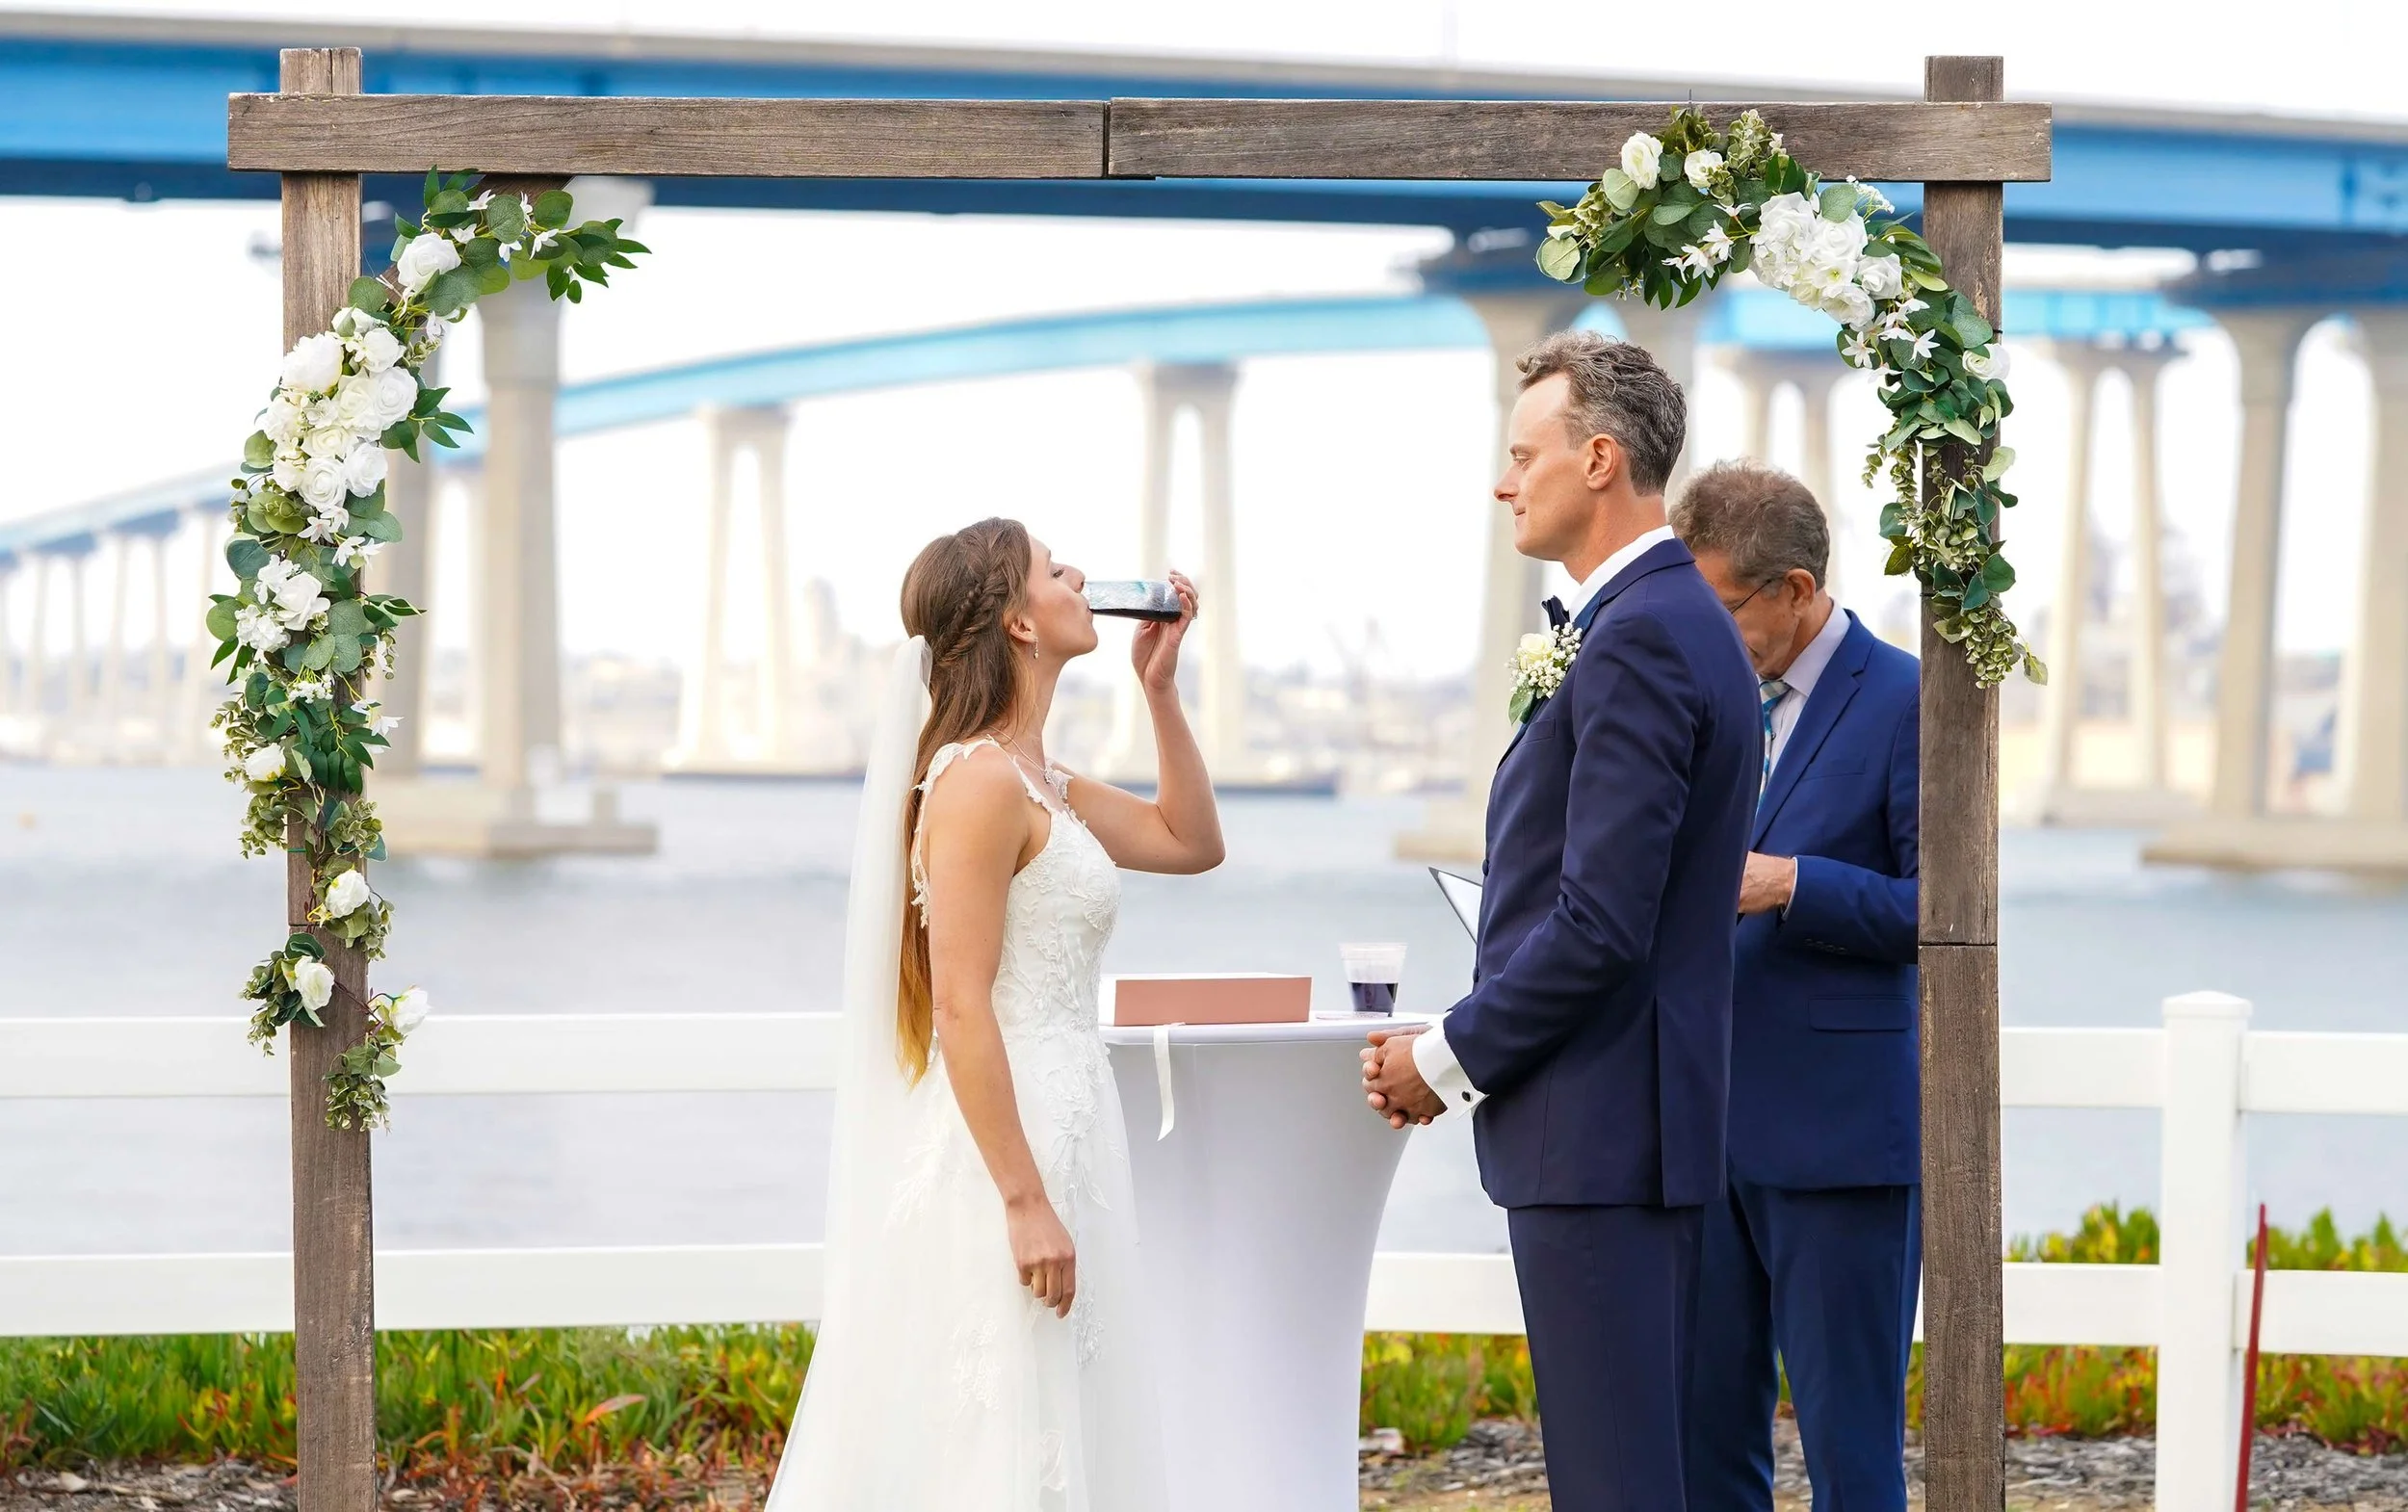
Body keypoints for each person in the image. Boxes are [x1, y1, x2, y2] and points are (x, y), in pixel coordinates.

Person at [1359, 331, 1760, 1512]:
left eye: (1521, 453)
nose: (1502, 479)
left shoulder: (1637, 635)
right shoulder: (1676, 620)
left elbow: (1600, 925)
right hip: (1642, 1126)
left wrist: (1446, 1057)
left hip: (1600, 1138)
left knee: (1616, 1486)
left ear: (1596, 459)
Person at [767, 518, 1223, 1510]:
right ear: (1019, 620)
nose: (1081, 578)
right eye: (1055, 570)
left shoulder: (1042, 784)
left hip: (1072, 1122)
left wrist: (1159, 688)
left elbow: (1192, 841)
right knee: (997, 1425)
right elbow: (963, 1007)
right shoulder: (976, 783)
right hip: (1003, 1148)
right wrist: (1021, 1200)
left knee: (1068, 1406)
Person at [1670, 461, 1922, 1512]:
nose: (1705, 633)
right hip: (1697, 1131)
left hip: (1838, 1143)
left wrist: (1793, 884)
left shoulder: (1909, 695)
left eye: (1721, 608)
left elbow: (1943, 912)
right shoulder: (1700, 694)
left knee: (1849, 1456)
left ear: (1797, 591)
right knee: (1701, 1446)